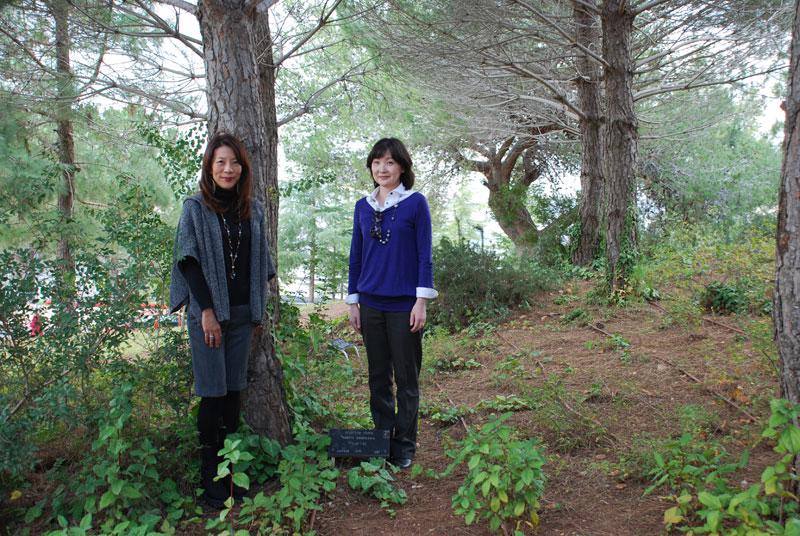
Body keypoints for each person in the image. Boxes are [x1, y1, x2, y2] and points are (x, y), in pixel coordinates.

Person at [169, 132, 275, 508]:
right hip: (209, 317)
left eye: (234, 162)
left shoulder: (254, 210)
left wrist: (257, 308)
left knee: (232, 395)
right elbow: (188, 261)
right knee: (211, 394)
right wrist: (208, 313)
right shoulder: (196, 208)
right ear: (209, 168)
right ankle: (208, 479)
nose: (228, 169)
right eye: (220, 163)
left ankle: (229, 477)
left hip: (243, 315)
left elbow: (260, 263)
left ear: (243, 167)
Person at [347, 137, 437, 469]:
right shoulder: (362, 206)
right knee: (378, 376)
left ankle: (405, 445)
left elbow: (424, 256)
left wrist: (421, 301)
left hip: (403, 306)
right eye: (376, 162)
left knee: (407, 378)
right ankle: (381, 441)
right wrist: (353, 302)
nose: (382, 169)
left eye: (389, 162)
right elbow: (355, 258)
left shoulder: (415, 203)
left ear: (401, 166)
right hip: (370, 305)